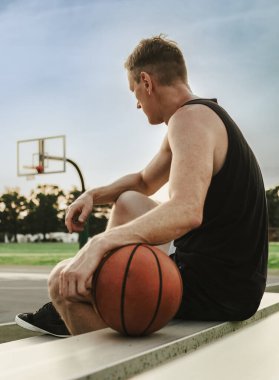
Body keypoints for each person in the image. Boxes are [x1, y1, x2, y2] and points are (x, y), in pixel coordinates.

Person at [15, 35, 268, 337]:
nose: (137, 103)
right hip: (232, 278)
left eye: (134, 91)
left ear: (146, 82)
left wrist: (100, 243)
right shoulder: (200, 115)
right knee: (128, 202)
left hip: (218, 288)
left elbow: (187, 210)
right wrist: (93, 196)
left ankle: (93, 327)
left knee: (61, 281)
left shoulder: (189, 121)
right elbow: (144, 181)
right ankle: (92, 293)